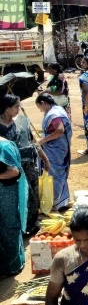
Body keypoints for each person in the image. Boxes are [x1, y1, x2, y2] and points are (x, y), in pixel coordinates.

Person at [0, 94, 48, 233]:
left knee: (32, 195)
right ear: (7, 108)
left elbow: (33, 141)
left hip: (28, 166)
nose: (19, 109)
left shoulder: (22, 122)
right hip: (9, 168)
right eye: (16, 106)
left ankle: (31, 225)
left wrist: (45, 158)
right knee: (15, 197)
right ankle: (17, 227)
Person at [36, 94, 73, 211]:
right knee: (58, 172)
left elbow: (60, 130)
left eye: (40, 108)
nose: (41, 110)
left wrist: (42, 140)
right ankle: (62, 200)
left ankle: (56, 201)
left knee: (55, 173)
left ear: (43, 103)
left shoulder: (54, 114)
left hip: (55, 149)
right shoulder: (58, 109)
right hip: (58, 147)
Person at [0, 136, 26, 276]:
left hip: (7, 193)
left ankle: (12, 266)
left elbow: (14, 171)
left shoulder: (3, 146)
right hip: (3, 193)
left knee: (9, 228)